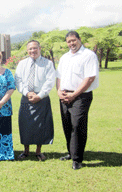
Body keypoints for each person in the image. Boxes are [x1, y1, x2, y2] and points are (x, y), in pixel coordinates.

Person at [56, 31, 99, 170]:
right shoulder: (64, 57)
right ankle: (71, 152)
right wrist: (58, 91)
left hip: (81, 96)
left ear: (79, 39)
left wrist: (74, 94)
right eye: (69, 41)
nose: (71, 44)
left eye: (74, 40)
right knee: (67, 125)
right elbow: (59, 77)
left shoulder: (88, 55)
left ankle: (77, 159)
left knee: (78, 125)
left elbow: (89, 78)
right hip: (64, 95)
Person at [15, 40, 55, 161]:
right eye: (30, 49)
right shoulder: (22, 64)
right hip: (26, 97)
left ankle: (38, 151)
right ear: (27, 50)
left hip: (41, 98)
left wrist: (40, 95)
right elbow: (18, 80)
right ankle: (26, 151)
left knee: (41, 125)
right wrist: (27, 93)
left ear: (39, 48)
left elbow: (50, 81)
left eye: (35, 48)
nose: (32, 51)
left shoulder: (47, 63)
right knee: (25, 124)